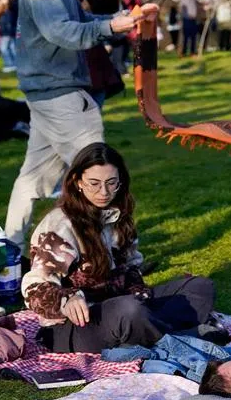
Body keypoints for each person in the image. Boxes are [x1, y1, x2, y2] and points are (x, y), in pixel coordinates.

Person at [2, 0, 152, 248]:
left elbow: (80, 23)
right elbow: (61, 32)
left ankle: (7, 250)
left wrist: (117, 23)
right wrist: (110, 26)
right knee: (100, 175)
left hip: (49, 92)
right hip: (61, 94)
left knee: (32, 180)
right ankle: (116, 256)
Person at [22, 143, 217, 353]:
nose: (103, 192)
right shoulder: (60, 226)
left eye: (111, 183)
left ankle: (144, 333)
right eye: (94, 183)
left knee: (200, 287)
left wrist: (137, 290)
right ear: (77, 182)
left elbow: (131, 267)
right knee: (130, 311)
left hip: (119, 307)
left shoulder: (117, 215)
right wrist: (66, 300)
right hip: (74, 326)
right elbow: (34, 287)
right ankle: (181, 338)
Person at [0, 0, 20, 72]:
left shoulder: (16, 1)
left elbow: (12, 10)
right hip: (8, 27)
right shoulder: (13, 1)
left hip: (9, 28)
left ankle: (9, 64)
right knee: (12, 47)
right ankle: (15, 64)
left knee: (4, 47)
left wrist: (6, 3)